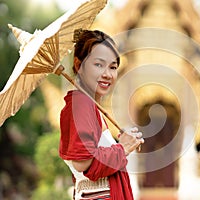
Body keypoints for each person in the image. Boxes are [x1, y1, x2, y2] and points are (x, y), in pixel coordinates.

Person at [59, 29, 144, 200]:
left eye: (113, 67)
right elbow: (82, 162)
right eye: (98, 65)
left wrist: (121, 144)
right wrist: (123, 148)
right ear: (78, 65)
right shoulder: (81, 104)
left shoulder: (90, 107)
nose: (107, 74)